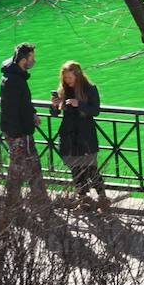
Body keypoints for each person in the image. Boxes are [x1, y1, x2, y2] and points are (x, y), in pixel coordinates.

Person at [51, 60, 109, 213]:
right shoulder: (63, 89)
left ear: (77, 75)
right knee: (75, 168)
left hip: (85, 133)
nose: (67, 81)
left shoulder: (89, 88)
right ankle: (83, 199)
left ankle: (102, 199)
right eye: (65, 78)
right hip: (69, 134)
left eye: (70, 78)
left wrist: (79, 104)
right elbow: (55, 113)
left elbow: (95, 110)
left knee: (90, 168)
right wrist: (55, 105)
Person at [0, 42, 49, 215]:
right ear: (23, 59)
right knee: (25, 168)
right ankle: (31, 203)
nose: (33, 61)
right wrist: (19, 134)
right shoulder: (15, 81)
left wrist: (32, 113)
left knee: (22, 167)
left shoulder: (13, 76)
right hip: (19, 133)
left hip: (17, 131)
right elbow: (12, 109)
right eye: (32, 58)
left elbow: (22, 103)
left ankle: (18, 203)